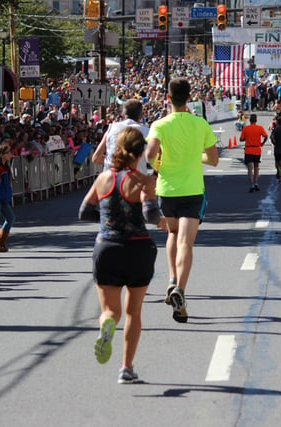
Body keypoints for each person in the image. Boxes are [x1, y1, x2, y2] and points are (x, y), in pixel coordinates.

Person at [79, 127, 161, 383]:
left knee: (110, 311)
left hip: (107, 247)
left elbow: (84, 211)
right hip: (138, 249)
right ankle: (126, 367)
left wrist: (107, 218)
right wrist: (167, 223)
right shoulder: (143, 180)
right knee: (133, 312)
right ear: (140, 153)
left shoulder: (104, 178)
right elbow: (150, 214)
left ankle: (106, 325)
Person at [145, 77, 219, 323]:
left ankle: (171, 280)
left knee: (172, 235)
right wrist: (194, 157)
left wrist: (159, 163)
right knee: (186, 243)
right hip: (192, 190)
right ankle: (181, 291)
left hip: (166, 190)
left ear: (168, 97)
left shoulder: (160, 124)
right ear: (190, 98)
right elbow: (213, 159)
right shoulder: (201, 124)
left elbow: (149, 156)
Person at [92, 99, 149, 175]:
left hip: (110, 181)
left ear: (123, 114)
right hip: (137, 181)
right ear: (141, 116)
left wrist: (111, 162)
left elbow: (96, 158)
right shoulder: (147, 132)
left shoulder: (111, 129)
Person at [239, 114, 268, 192]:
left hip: (248, 149)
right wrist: (262, 143)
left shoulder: (246, 128)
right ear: (256, 120)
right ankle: (256, 183)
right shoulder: (260, 128)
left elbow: (241, 139)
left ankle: (251, 184)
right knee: (256, 167)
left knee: (250, 168)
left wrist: (246, 138)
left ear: (250, 120)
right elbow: (266, 136)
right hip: (257, 149)